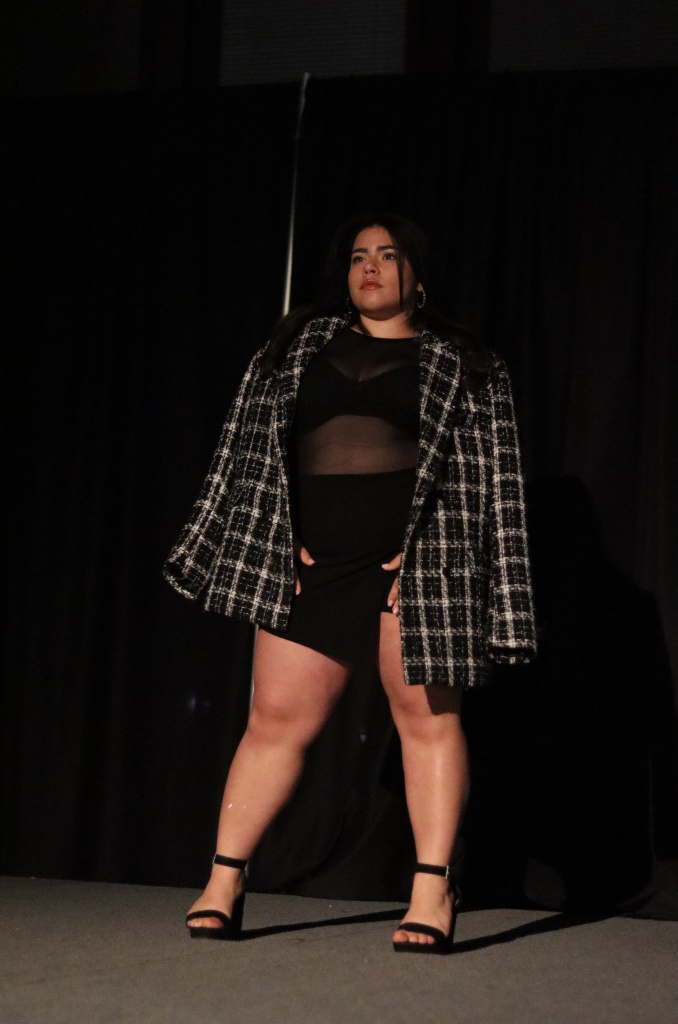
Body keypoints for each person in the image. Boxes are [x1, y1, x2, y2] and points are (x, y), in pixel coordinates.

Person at [164, 212, 537, 954]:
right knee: (274, 721)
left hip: (418, 562)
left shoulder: (464, 363)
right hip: (314, 563)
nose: (370, 267)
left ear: (417, 276)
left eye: (388, 256)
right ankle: (225, 880)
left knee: (427, 720)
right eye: (359, 256)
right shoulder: (291, 349)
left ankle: (432, 888)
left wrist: (447, 555)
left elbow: (492, 483)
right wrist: (269, 534)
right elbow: (245, 453)